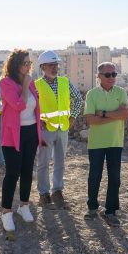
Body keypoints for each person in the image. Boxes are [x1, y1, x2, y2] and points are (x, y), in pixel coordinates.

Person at [0, 49, 43, 233]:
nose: (28, 66)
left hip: (31, 132)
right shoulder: (5, 83)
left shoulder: (31, 83)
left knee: (27, 171)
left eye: (29, 63)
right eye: (25, 63)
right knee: (12, 173)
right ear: (16, 64)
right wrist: (25, 85)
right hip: (13, 136)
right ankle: (6, 211)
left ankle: (23, 205)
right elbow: (18, 105)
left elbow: (35, 105)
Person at [35, 50, 83, 210]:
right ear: (43, 67)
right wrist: (38, 120)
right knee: (43, 162)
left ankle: (57, 191)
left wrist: (73, 117)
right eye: (51, 65)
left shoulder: (65, 82)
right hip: (45, 129)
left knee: (60, 162)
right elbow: (30, 106)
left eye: (56, 65)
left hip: (63, 127)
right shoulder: (36, 86)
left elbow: (78, 99)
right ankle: (43, 194)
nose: (55, 68)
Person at [83, 62, 128, 226]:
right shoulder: (91, 94)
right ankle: (92, 208)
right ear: (99, 76)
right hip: (96, 143)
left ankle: (111, 211)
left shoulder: (121, 92)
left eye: (114, 74)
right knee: (94, 176)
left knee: (115, 178)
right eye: (108, 75)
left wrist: (103, 113)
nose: (112, 78)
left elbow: (126, 114)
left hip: (115, 142)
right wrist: (115, 114)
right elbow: (90, 120)